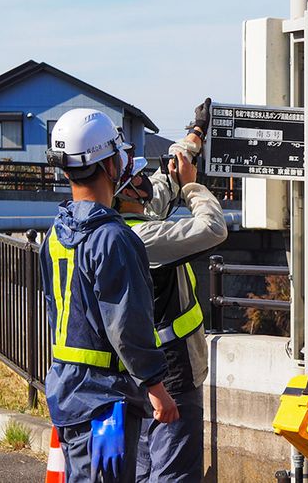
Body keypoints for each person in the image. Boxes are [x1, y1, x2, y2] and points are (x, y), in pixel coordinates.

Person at [41, 108, 179, 483]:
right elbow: (127, 324)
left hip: (68, 391)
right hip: (105, 400)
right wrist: (156, 388)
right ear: (108, 165)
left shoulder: (56, 233)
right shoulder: (113, 239)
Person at [113, 99, 228, 482]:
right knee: (174, 470)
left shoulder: (120, 226)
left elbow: (159, 191)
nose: (148, 181)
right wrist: (193, 185)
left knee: (146, 466)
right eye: (139, 178)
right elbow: (212, 229)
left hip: (138, 366)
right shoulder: (142, 238)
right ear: (125, 192)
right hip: (171, 368)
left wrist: (195, 134)